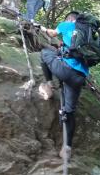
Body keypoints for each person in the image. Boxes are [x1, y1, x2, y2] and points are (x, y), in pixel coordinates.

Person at [38, 11, 89, 160]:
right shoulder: (87, 34)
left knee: (44, 53)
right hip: (80, 77)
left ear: (70, 19)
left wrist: (41, 28)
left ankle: (49, 85)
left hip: (66, 71)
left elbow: (52, 33)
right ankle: (67, 147)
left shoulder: (67, 25)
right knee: (69, 111)